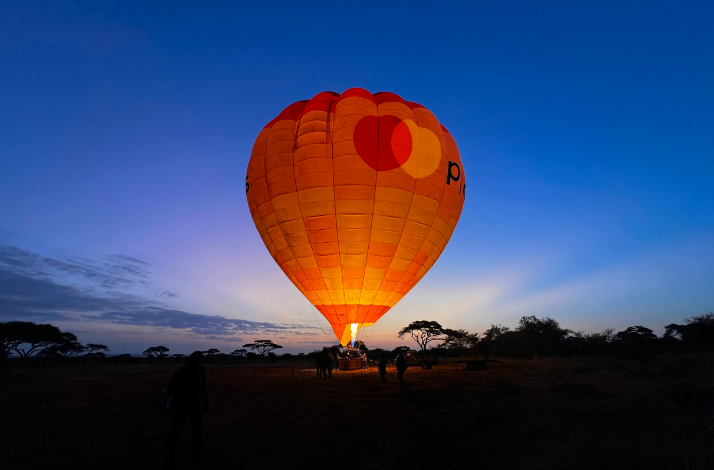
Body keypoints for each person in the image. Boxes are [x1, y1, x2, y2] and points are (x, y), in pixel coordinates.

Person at [165, 351, 210, 468]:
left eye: (199, 360)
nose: (198, 362)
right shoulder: (182, 371)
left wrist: (207, 401)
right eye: (197, 359)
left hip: (192, 404)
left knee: (193, 431)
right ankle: (170, 457)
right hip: (182, 404)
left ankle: (194, 455)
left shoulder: (200, 371)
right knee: (178, 431)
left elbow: (203, 388)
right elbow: (171, 389)